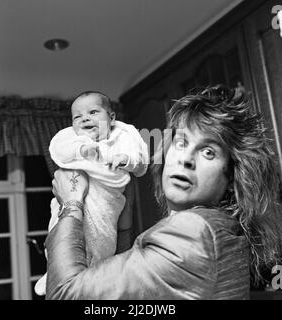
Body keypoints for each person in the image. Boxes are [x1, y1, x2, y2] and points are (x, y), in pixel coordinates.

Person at [45, 85, 282, 300]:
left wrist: (71, 203)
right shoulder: (221, 228)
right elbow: (123, 283)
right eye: (181, 142)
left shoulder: (195, 232)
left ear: (232, 176)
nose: (186, 159)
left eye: (208, 151)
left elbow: (66, 295)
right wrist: (123, 226)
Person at [35, 91, 149, 296]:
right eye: (77, 117)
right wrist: (81, 150)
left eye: (93, 112)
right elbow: (60, 150)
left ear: (111, 118)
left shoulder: (122, 137)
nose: (85, 118)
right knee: (59, 232)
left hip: (106, 202)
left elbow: (140, 161)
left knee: (101, 240)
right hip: (70, 198)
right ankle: (53, 271)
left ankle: (89, 274)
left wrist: (125, 159)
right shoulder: (72, 138)